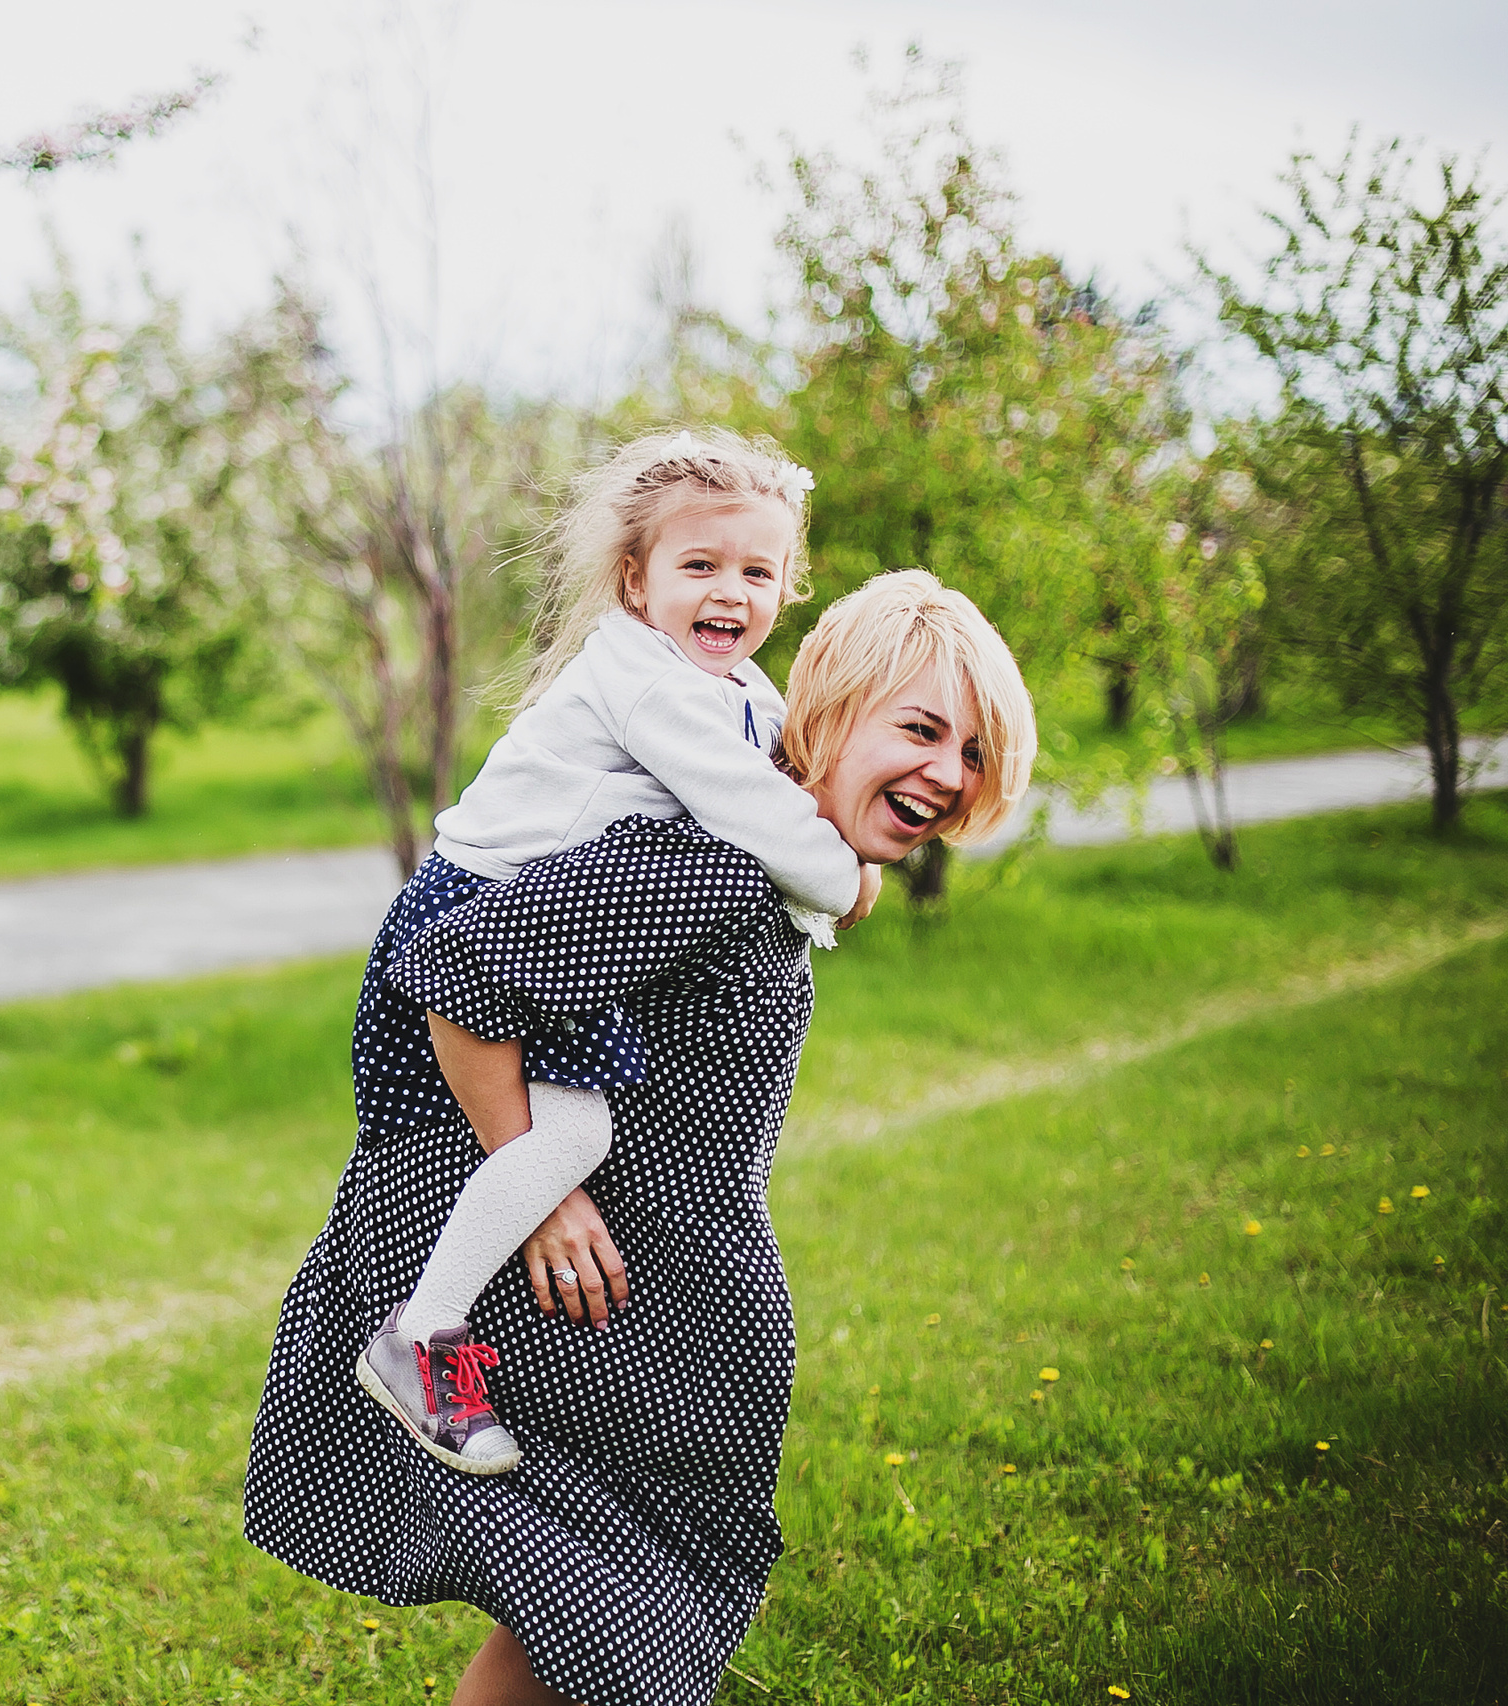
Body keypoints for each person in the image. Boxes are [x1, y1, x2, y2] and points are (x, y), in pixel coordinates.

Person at [245, 569, 1036, 1706]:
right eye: (919, 730)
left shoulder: (768, 860)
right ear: (830, 709)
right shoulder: (708, 866)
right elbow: (460, 973)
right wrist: (548, 1188)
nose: (945, 775)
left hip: (672, 1313)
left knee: (592, 1623)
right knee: (617, 1624)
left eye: (970, 754)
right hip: (598, 1308)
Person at [354, 428, 880, 1475]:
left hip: (558, 951)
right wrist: (848, 877)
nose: (729, 590)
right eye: (699, 565)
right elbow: (758, 819)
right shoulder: (646, 682)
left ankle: (441, 1323)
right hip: (471, 933)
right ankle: (422, 1332)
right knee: (565, 1145)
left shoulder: (735, 689)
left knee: (575, 1137)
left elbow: (777, 781)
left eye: (757, 571)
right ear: (636, 583)